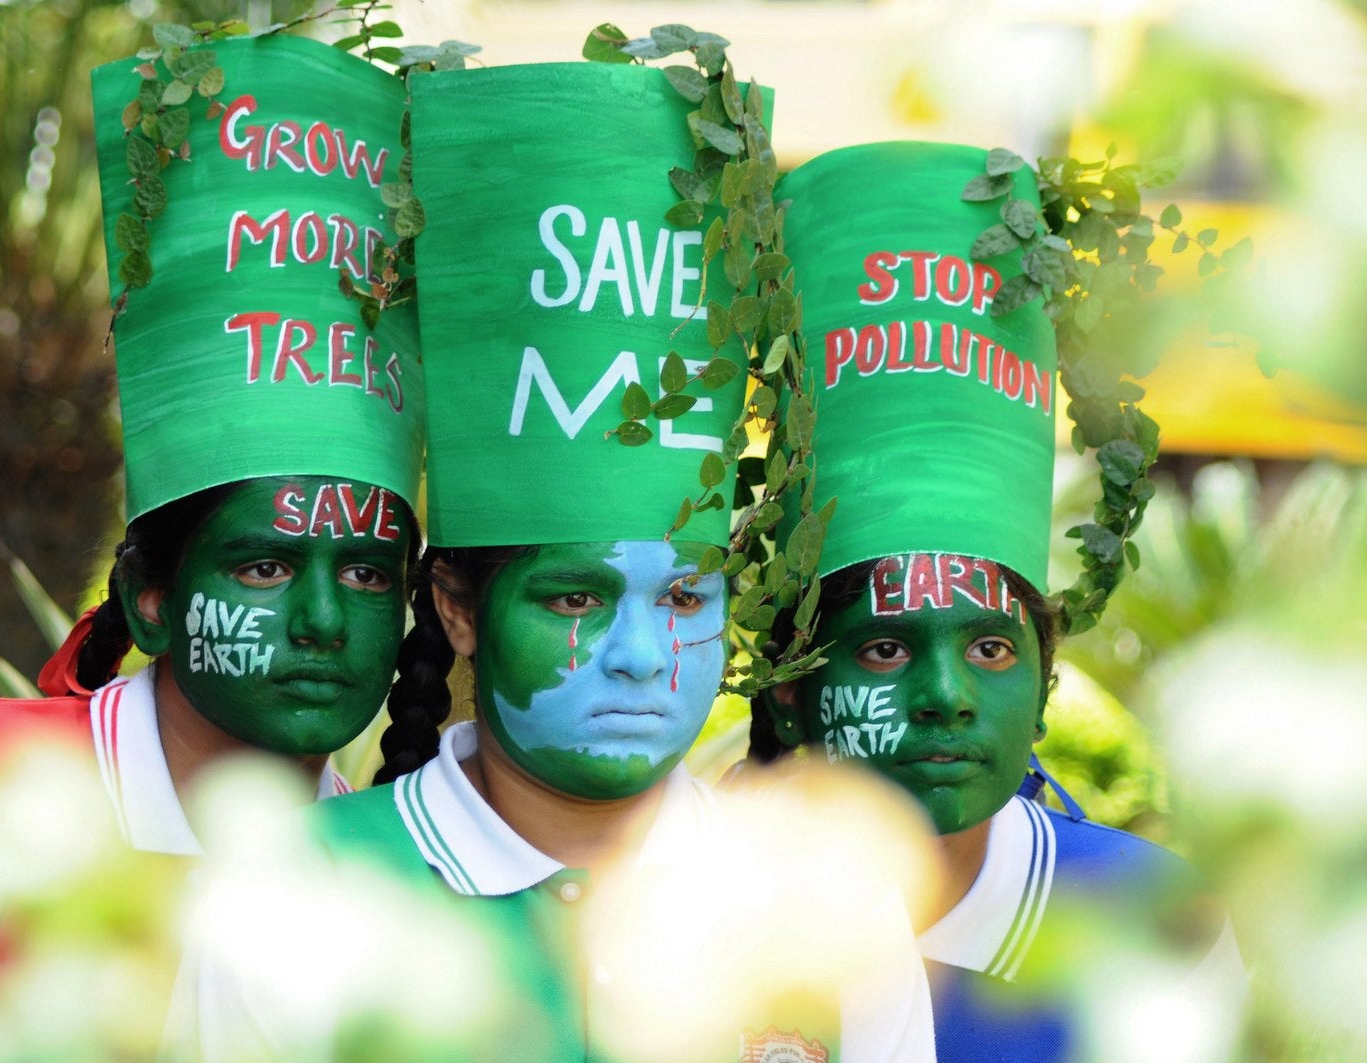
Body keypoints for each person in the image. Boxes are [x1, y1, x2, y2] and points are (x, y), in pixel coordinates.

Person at [167, 60, 937, 1063]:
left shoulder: (829, 906)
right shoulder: (295, 895)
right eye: (574, 596)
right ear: (454, 607)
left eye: (683, 596)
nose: (635, 654)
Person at [0, 32, 423, 1060]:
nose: (324, 620)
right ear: (149, 595)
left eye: (369, 573)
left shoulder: (396, 880)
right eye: (261, 565)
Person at [745, 141, 1246, 1061]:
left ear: (1049, 681)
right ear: (787, 682)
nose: (947, 693)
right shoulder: (680, 917)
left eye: (992, 648)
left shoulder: (1156, 922)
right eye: (886, 649)